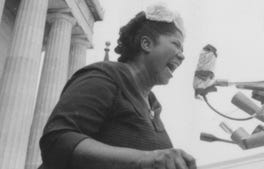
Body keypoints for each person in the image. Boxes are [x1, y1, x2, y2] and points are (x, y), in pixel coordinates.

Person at [39, 4, 197, 169]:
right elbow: (58, 140)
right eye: (176, 44)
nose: (182, 56)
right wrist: (146, 158)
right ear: (146, 43)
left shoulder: (153, 106)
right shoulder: (105, 77)